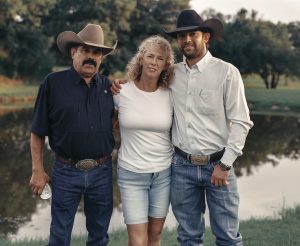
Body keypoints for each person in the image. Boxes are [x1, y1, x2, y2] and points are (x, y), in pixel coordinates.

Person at [112, 9, 253, 246]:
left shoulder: (227, 73)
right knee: (188, 237)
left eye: (193, 34)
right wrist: (122, 85)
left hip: (218, 166)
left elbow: (241, 122)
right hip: (181, 168)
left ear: (205, 37)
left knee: (228, 237)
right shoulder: (172, 74)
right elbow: (146, 89)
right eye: (181, 36)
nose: (186, 40)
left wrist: (225, 164)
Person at [29, 23, 117, 246]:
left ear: (102, 58)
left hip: (102, 171)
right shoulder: (52, 84)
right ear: (73, 52)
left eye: (96, 52)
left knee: (99, 237)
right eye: (85, 50)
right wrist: (37, 170)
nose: (91, 57)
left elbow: (121, 122)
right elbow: (38, 131)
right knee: (59, 236)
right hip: (66, 172)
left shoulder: (110, 88)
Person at [113, 35, 174, 246]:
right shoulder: (121, 92)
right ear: (140, 59)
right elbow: (107, 123)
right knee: (137, 241)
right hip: (131, 174)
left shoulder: (171, 95)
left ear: (166, 64)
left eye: (159, 58)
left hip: (163, 173)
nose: (153, 62)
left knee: (154, 236)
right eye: (149, 56)